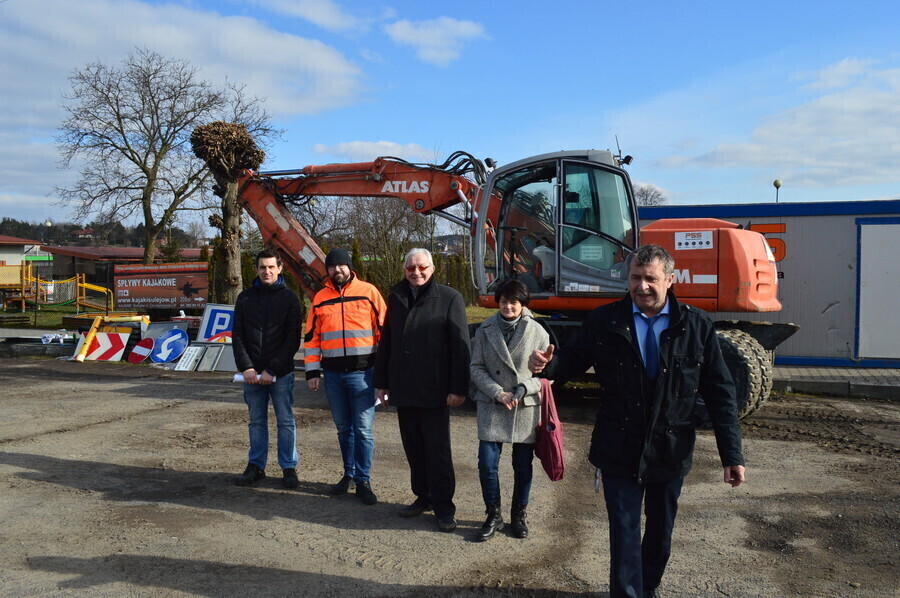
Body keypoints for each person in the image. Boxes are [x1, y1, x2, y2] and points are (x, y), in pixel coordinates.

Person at [529, 244, 745, 598]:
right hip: (619, 446)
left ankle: (647, 587)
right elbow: (569, 362)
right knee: (625, 531)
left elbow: (721, 393)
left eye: (650, 278)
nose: (642, 286)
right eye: (635, 278)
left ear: (670, 280)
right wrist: (545, 367)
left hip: (670, 449)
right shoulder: (605, 320)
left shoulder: (697, 325)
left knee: (660, 535)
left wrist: (732, 455)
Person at [373, 248, 470, 532]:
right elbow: (387, 341)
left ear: (432, 268)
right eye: (411, 268)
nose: (416, 273)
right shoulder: (397, 296)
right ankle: (422, 496)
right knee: (413, 447)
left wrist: (458, 388)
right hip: (404, 387)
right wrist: (382, 382)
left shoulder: (450, 298)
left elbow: (460, 348)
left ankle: (444, 507)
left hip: (435, 390)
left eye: (422, 267)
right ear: (405, 270)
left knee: (437, 451)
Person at [304, 248, 386, 506]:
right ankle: (348, 474)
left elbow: (385, 332)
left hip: (364, 374)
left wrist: (384, 374)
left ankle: (363, 479)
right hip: (333, 375)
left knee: (363, 430)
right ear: (327, 270)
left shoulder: (369, 292)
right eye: (332, 266)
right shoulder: (319, 298)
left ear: (350, 267)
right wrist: (312, 371)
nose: (337, 270)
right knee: (343, 429)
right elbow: (311, 338)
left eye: (341, 265)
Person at [469, 279, 550, 541]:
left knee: (522, 465)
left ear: (522, 304)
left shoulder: (538, 331)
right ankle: (493, 515)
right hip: (493, 404)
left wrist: (524, 388)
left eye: (514, 302)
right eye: (504, 301)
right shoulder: (485, 329)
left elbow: (547, 375)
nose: (508, 307)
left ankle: (518, 516)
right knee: (487, 464)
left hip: (523, 406)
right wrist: (497, 392)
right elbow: (476, 367)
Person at [232, 249, 302, 489]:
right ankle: (256, 466)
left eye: (271, 267)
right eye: (262, 267)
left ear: (280, 268)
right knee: (256, 421)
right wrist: (247, 367)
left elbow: (292, 339)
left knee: (285, 420)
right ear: (256, 269)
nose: (267, 271)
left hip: (280, 374)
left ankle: (289, 468)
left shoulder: (290, 299)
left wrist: (272, 369)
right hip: (252, 375)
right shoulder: (245, 298)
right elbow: (237, 335)